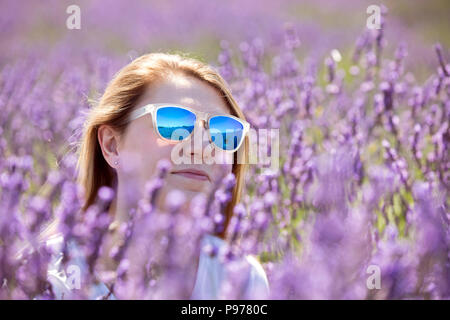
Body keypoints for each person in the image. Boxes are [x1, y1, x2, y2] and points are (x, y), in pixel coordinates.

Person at [44, 52, 269, 299]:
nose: (202, 147)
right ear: (111, 145)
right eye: (174, 124)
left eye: (223, 132)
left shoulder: (241, 279)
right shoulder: (47, 278)